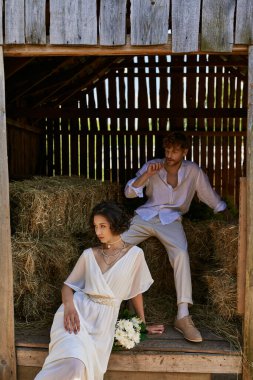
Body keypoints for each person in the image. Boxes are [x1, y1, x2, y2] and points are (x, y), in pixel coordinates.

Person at [34, 201, 164, 380]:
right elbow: (67, 286)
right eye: (95, 227)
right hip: (76, 315)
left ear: (116, 224)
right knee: (73, 362)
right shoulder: (89, 254)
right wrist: (69, 307)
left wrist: (141, 325)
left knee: (79, 368)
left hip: (103, 323)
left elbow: (135, 291)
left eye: (102, 226)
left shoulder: (135, 255)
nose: (98, 232)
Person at [122, 131, 228, 343]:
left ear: (185, 152)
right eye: (167, 150)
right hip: (146, 216)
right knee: (117, 245)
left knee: (180, 253)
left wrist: (228, 214)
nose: (169, 154)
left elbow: (209, 196)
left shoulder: (193, 171)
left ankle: (183, 316)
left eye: (175, 150)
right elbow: (129, 193)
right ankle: (115, 301)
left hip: (171, 221)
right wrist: (147, 175)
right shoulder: (153, 165)